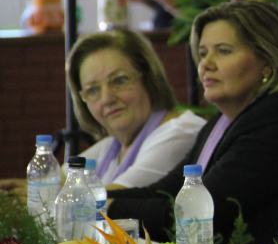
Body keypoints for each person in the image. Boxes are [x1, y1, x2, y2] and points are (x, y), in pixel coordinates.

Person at [107, 1, 278, 244]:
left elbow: (195, 217)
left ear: (267, 61)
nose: (206, 64)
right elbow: (167, 192)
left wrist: (106, 207)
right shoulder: (224, 121)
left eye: (223, 51)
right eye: (203, 53)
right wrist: (94, 198)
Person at [0, 30, 205, 194]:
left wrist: (31, 198)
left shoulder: (180, 131)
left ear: (149, 78)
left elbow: (110, 201)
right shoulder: (112, 146)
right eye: (93, 90)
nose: (106, 99)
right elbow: (43, 187)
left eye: (119, 80)